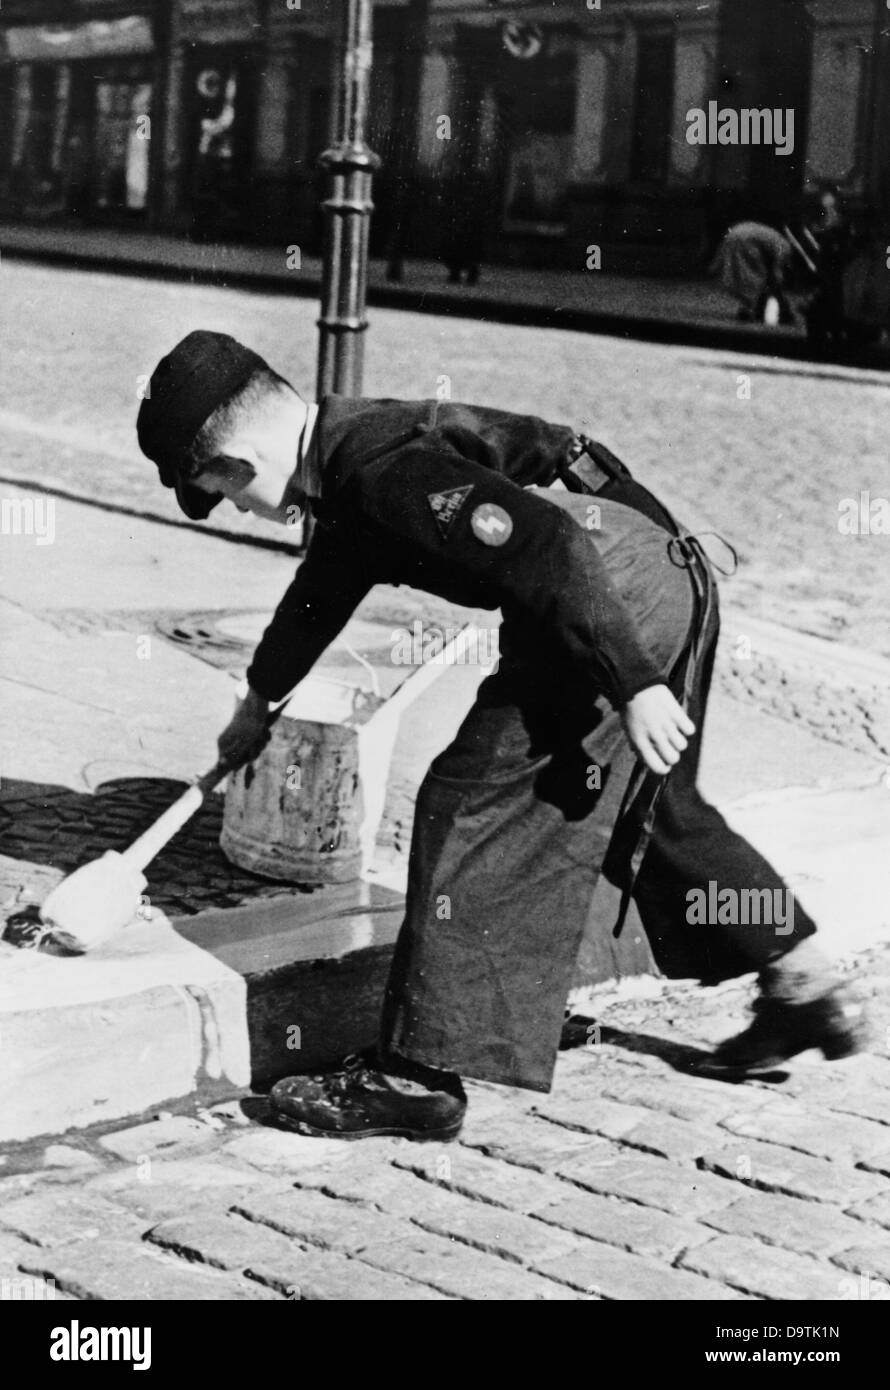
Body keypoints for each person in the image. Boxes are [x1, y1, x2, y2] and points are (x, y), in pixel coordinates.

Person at [137, 331, 861, 1142]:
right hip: (651, 569)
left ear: (237, 461)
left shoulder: (381, 474)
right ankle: (801, 986)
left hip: (604, 585)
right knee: (650, 811)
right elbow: (320, 593)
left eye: (223, 493)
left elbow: (548, 543)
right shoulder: (350, 455)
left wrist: (635, 682)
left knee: (467, 799)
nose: (237, 508)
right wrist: (258, 704)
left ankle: (416, 1078)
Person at [710, 220, 794, 324]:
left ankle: (749, 307)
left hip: (736, 233)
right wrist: (777, 286)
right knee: (753, 277)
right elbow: (777, 272)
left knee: (743, 274)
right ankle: (751, 308)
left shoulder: (777, 239)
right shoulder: (785, 248)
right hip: (746, 238)